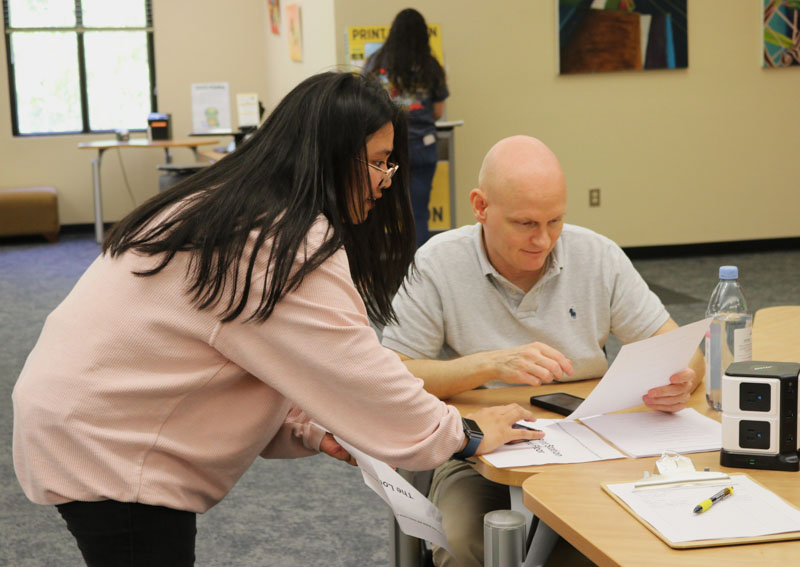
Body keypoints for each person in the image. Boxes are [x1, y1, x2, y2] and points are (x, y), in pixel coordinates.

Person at [11, 73, 543, 567]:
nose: (386, 181)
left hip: (86, 417)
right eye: (379, 161)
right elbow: (359, 370)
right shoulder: (279, 240)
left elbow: (244, 352)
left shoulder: (231, 207)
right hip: (111, 444)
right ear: (333, 156)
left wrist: (311, 425)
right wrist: (468, 433)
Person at [380, 135, 705, 567]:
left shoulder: (597, 256)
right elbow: (394, 375)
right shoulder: (438, 263)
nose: (544, 239)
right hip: (481, 453)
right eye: (525, 224)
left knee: (623, 543)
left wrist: (682, 378)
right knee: (463, 542)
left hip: (594, 448)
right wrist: (491, 363)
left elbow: (679, 349)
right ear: (480, 207)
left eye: (555, 221)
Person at [364, 8, 448, 248]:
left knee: (377, 209)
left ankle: (377, 267)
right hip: (423, 147)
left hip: (384, 151)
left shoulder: (376, 63)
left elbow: (366, 105)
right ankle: (418, 270)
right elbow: (438, 112)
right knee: (418, 213)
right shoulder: (431, 66)